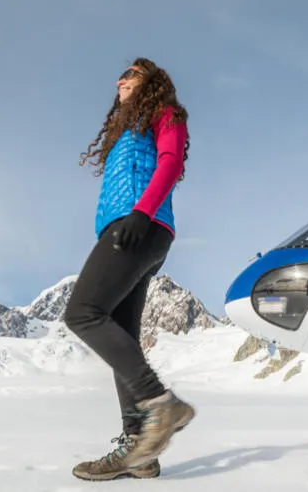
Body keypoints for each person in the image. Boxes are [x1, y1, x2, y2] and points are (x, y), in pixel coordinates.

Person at [63, 58, 196, 480]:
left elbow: (171, 162)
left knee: (83, 313)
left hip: (139, 226)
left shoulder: (166, 113)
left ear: (152, 83)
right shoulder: (125, 131)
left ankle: (160, 402)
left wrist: (140, 213)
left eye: (132, 75)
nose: (120, 80)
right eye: (120, 75)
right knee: (121, 336)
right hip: (131, 229)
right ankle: (140, 450)